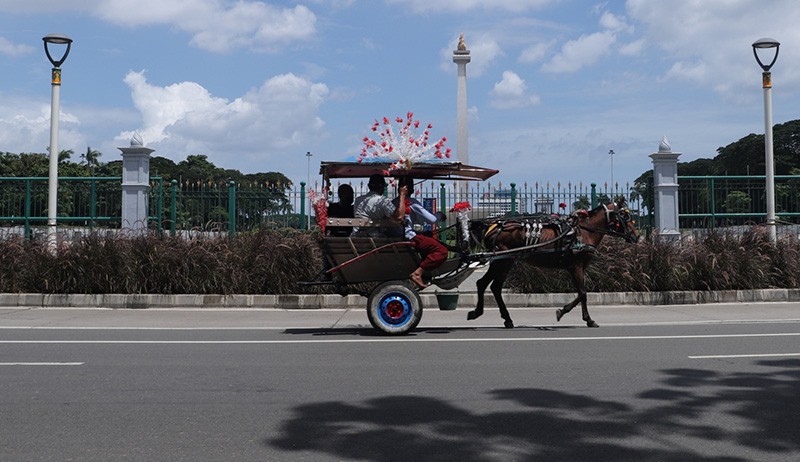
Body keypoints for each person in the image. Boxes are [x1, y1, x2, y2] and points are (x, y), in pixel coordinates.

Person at [392, 176, 449, 289]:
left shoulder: (393, 202)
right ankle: (418, 272)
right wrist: (440, 215)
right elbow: (431, 219)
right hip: (408, 237)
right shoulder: (411, 203)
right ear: (410, 189)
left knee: (427, 236)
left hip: (396, 236)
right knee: (442, 251)